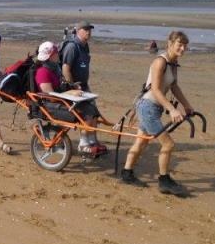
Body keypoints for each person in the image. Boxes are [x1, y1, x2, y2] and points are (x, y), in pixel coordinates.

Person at [120, 30, 195, 196]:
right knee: (168, 144)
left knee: (141, 142)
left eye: (185, 45)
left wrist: (187, 105)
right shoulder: (160, 62)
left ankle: (126, 173)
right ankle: (164, 180)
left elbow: (174, 87)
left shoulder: (173, 64)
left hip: (154, 107)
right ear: (170, 44)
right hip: (147, 106)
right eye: (179, 45)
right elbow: (155, 89)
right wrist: (172, 109)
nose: (182, 48)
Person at [61, 20, 106, 155]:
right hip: (74, 88)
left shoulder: (85, 46)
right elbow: (65, 68)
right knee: (84, 114)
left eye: (90, 30)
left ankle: (92, 140)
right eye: (85, 29)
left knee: (94, 112)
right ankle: (83, 143)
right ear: (78, 31)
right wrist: (73, 86)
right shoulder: (72, 47)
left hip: (84, 85)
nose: (88, 32)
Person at [34, 41, 100, 132]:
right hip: (50, 106)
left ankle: (92, 140)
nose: (58, 54)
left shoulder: (55, 68)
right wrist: (71, 93)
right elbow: (50, 97)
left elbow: (61, 86)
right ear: (50, 56)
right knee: (86, 113)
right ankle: (85, 143)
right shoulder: (42, 72)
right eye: (56, 52)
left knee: (92, 109)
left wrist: (73, 87)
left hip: (60, 102)